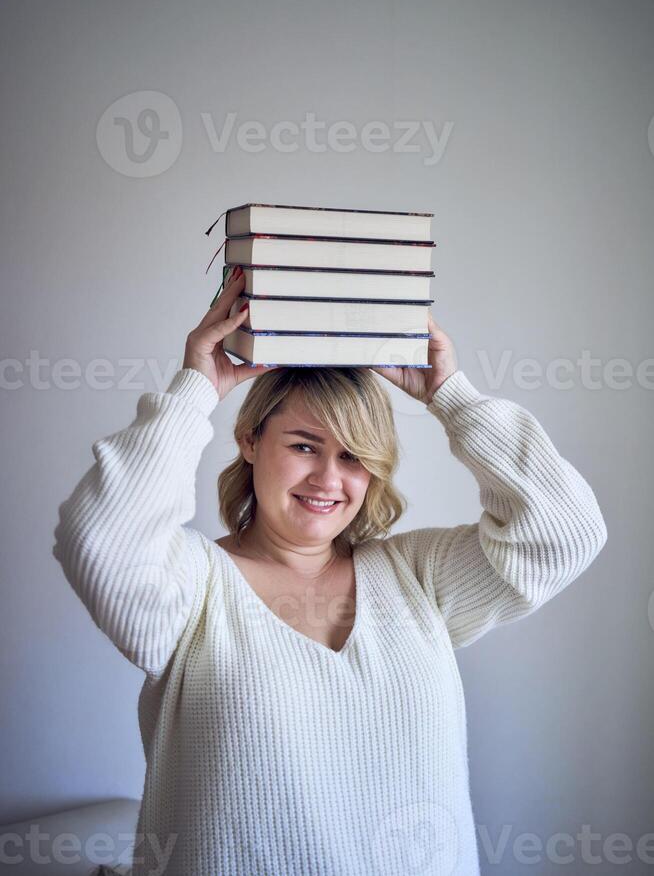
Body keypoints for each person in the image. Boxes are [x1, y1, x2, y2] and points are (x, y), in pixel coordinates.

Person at [53, 265, 608, 876]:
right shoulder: (192, 586)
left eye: (353, 456)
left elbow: (563, 533)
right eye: (303, 445)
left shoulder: (416, 576)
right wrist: (196, 390)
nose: (327, 480)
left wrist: (452, 396)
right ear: (248, 439)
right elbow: (100, 538)